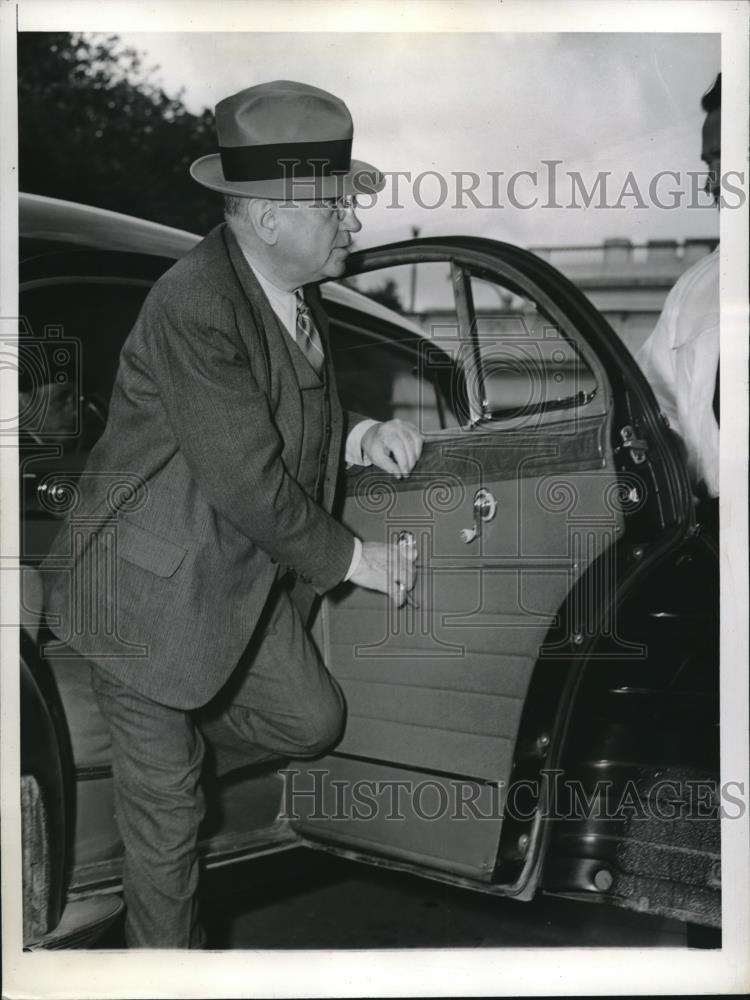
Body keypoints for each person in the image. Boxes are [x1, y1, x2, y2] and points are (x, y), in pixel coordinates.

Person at [41, 80, 423, 948]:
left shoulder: (292, 290)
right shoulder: (194, 303)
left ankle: (173, 722)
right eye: (336, 207)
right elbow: (250, 479)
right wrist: (357, 559)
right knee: (170, 813)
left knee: (313, 721)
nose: (353, 224)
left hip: (222, 579)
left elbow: (286, 411)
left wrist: (359, 432)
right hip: (140, 597)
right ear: (267, 219)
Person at [636, 72, 721, 507]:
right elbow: (651, 408)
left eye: (726, 156)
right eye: (711, 161)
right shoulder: (695, 289)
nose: (715, 180)